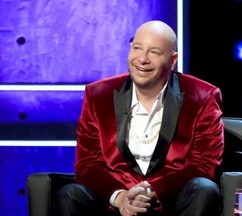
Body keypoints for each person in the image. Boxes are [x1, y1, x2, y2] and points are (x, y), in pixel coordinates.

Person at [54, 20, 224, 216]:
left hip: (170, 203)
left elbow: (203, 165)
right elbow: (88, 164)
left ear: (173, 59)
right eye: (137, 48)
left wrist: (152, 192)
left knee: (204, 189)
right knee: (70, 194)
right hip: (115, 205)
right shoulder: (98, 94)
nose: (142, 59)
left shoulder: (202, 97)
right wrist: (120, 197)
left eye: (154, 52)